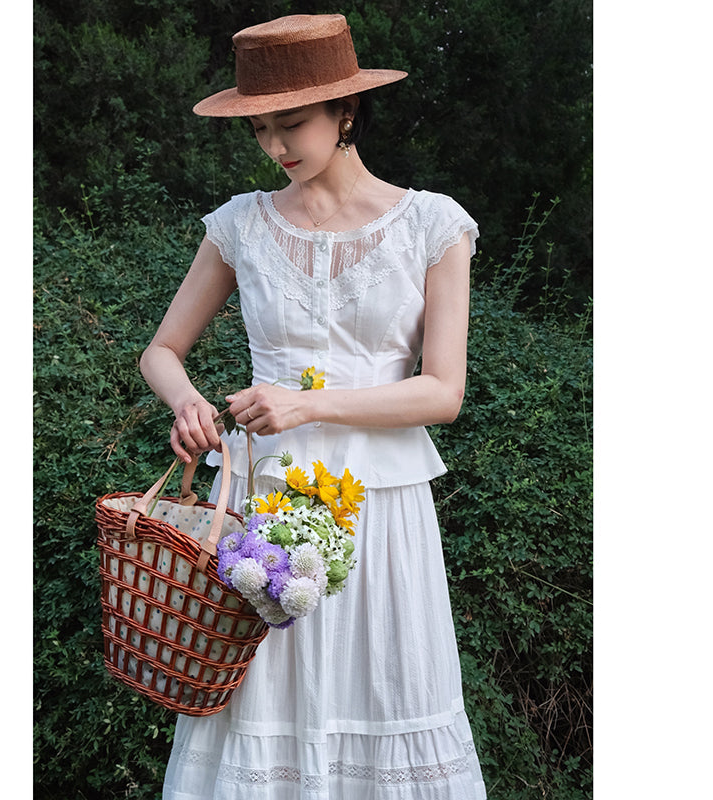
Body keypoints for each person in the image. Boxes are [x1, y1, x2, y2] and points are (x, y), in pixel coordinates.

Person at [139, 13, 487, 800]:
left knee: (388, 687)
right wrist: (190, 402)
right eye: (260, 129)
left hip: (383, 506)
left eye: (291, 124)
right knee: (263, 704)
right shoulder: (239, 225)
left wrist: (303, 405)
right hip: (267, 506)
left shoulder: (433, 225)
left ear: (347, 113)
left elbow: (443, 392)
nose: (275, 147)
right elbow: (161, 351)